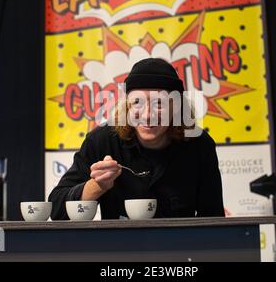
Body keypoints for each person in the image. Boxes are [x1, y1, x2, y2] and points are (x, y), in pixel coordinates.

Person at [49, 58, 224, 219]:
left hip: (181, 249)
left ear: (176, 108)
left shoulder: (199, 144)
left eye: (159, 104)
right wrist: (97, 186)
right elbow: (57, 210)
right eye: (137, 103)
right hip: (119, 249)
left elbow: (213, 220)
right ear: (127, 106)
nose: (148, 115)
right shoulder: (102, 140)